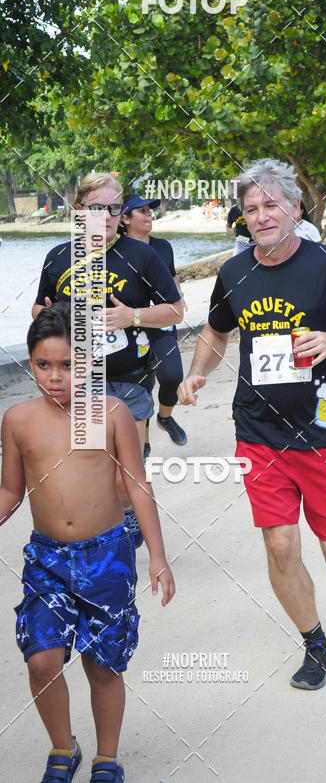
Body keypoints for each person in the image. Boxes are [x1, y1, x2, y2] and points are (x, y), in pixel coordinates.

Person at [178, 158, 326, 691]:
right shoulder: (234, 272)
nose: (262, 215)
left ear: (295, 208)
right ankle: (316, 645)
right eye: (251, 208)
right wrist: (196, 373)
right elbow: (217, 331)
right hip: (259, 431)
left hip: (325, 432)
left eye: (272, 204)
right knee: (279, 545)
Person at [0, 302, 175, 783]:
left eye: (69, 365)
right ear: (31, 362)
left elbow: (137, 485)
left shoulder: (112, 413)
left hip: (108, 557)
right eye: (43, 365)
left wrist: (157, 557)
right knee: (41, 658)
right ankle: (63, 747)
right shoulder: (17, 419)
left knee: (102, 665)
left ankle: (106, 756)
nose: (56, 377)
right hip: (47, 559)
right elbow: (11, 490)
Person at [32, 172, 183, 544]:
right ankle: (103, 527)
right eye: (98, 207)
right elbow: (39, 308)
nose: (108, 215)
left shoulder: (141, 255)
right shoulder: (59, 258)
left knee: (124, 473)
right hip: (77, 382)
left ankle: (128, 517)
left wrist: (131, 316)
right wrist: (52, 317)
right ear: (80, 210)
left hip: (129, 377)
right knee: (85, 467)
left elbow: (176, 310)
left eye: (115, 208)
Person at [119, 193, 188, 450]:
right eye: (142, 211)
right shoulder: (115, 251)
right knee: (142, 384)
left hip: (161, 322)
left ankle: (165, 417)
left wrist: (179, 298)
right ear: (125, 218)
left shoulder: (163, 246)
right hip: (130, 327)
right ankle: (144, 442)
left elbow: (171, 276)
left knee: (172, 376)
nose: (149, 215)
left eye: (150, 210)